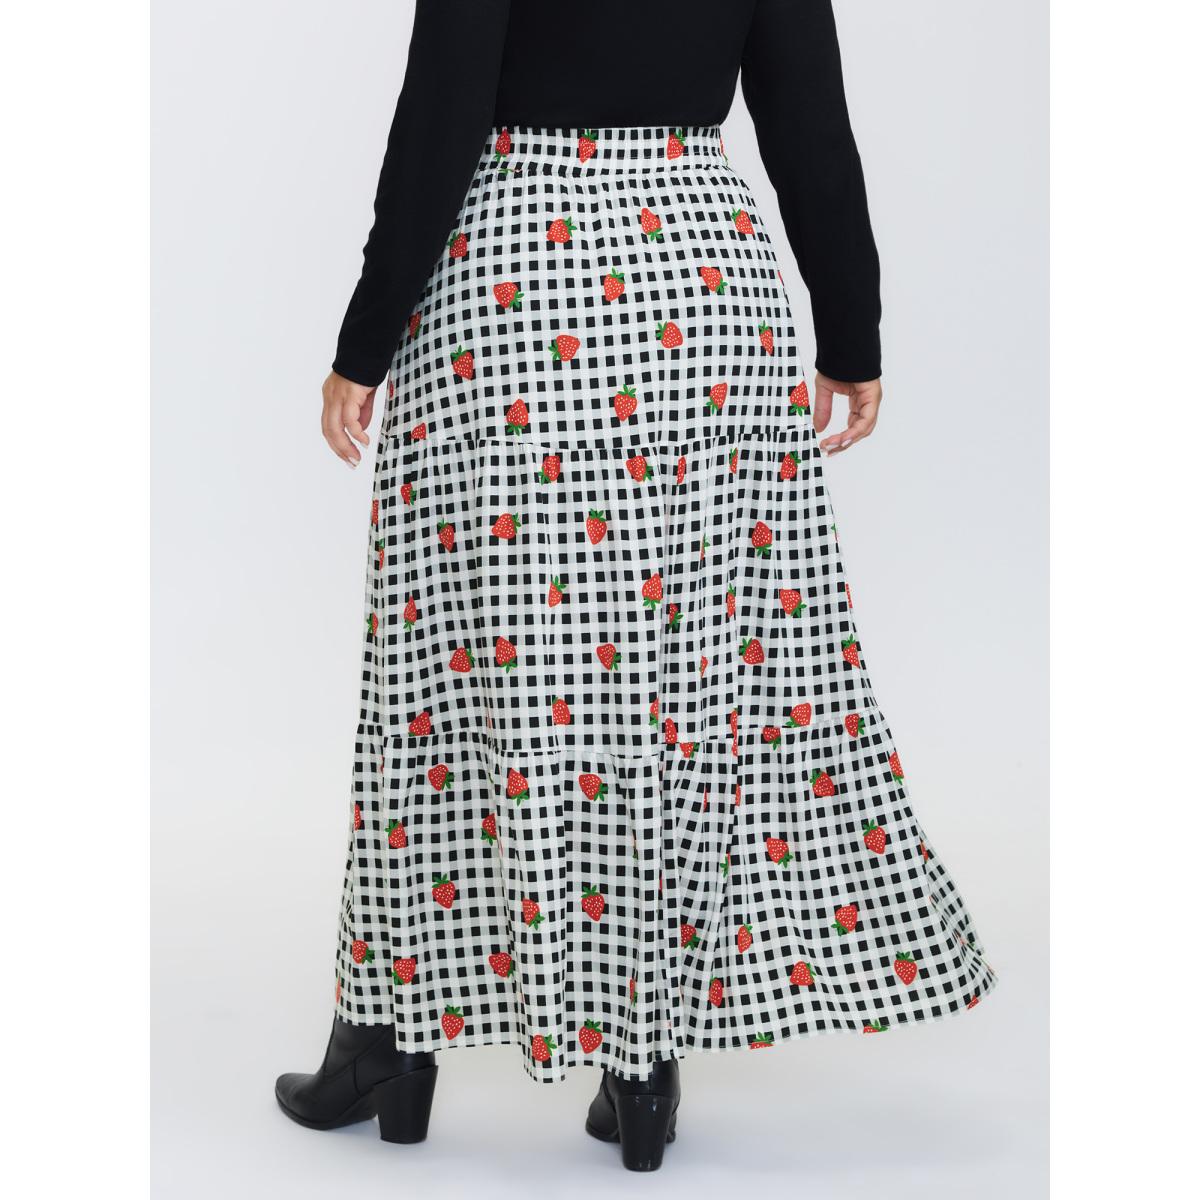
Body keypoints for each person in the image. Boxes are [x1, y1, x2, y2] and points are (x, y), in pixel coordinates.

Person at [276, 0, 996, 1172]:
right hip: (706, 298)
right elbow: (809, 120)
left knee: (452, 666)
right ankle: (642, 1064)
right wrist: (852, 329)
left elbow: (443, 112)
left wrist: (365, 342)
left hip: (522, 291)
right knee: (676, 686)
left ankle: (390, 1043)